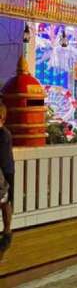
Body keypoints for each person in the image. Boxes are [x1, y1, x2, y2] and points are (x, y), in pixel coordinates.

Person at [0, 103, 14, 255]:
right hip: (5, 170)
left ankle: (7, 231)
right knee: (5, 202)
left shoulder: (4, 134)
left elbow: (3, 158)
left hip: (5, 172)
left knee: (5, 201)